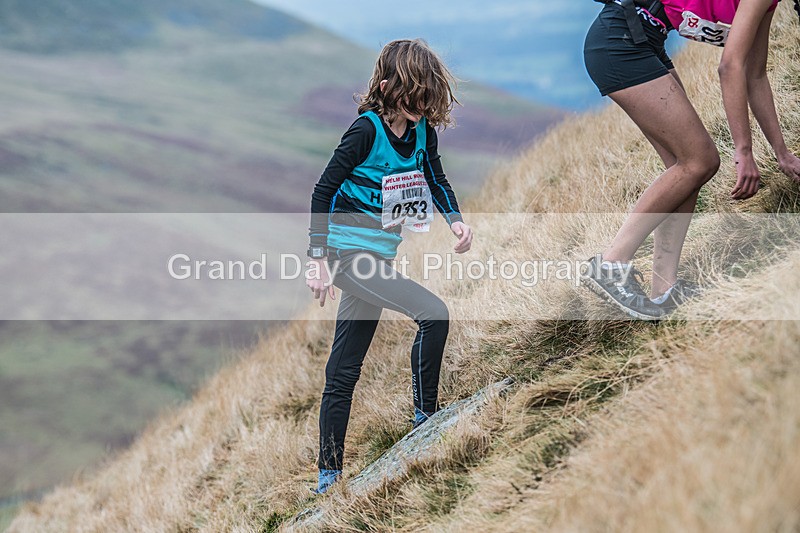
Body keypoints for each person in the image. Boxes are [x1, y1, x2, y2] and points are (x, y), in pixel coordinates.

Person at [305, 39, 473, 494]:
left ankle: (328, 477)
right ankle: (426, 419)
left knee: (342, 371)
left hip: (377, 256)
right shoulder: (365, 131)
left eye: (428, 97)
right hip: (346, 257)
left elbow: (435, 178)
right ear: (387, 87)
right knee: (434, 314)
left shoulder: (422, 132)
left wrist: (456, 222)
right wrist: (318, 260)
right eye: (415, 97)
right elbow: (323, 191)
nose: (422, 106)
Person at [581, 0, 800, 319]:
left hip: (642, 40)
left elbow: (755, 76)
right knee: (700, 160)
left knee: (686, 168)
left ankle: (664, 289)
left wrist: (783, 153)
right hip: (620, 42)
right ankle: (611, 266)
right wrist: (744, 151)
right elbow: (730, 67)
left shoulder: (766, 4)